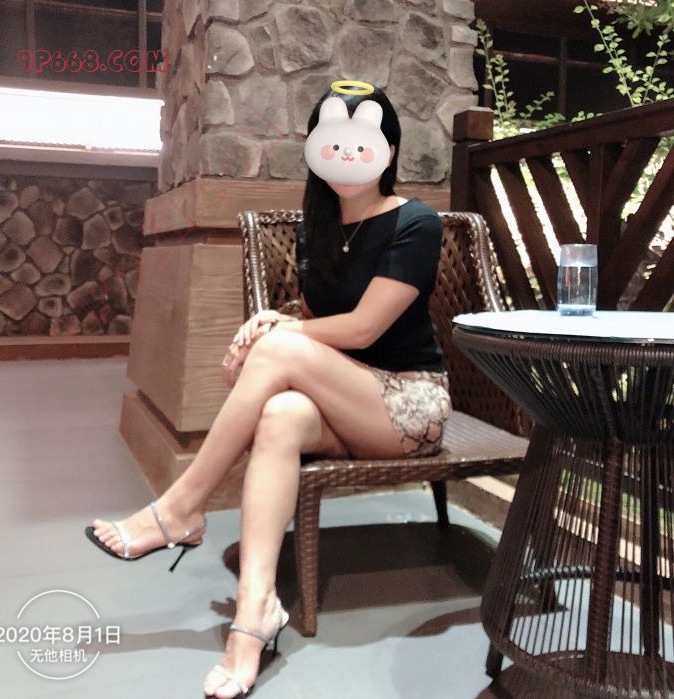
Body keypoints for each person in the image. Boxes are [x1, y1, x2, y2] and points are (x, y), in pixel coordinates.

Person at [85, 81, 452, 699]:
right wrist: (275, 327)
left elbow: (363, 329)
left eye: (364, 141)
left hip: (409, 404)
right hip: (345, 397)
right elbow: (319, 327)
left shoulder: (415, 222)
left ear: (389, 151)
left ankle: (181, 508)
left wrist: (278, 334)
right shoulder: (316, 231)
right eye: (332, 140)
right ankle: (255, 610)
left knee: (279, 346)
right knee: (279, 412)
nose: (347, 153)